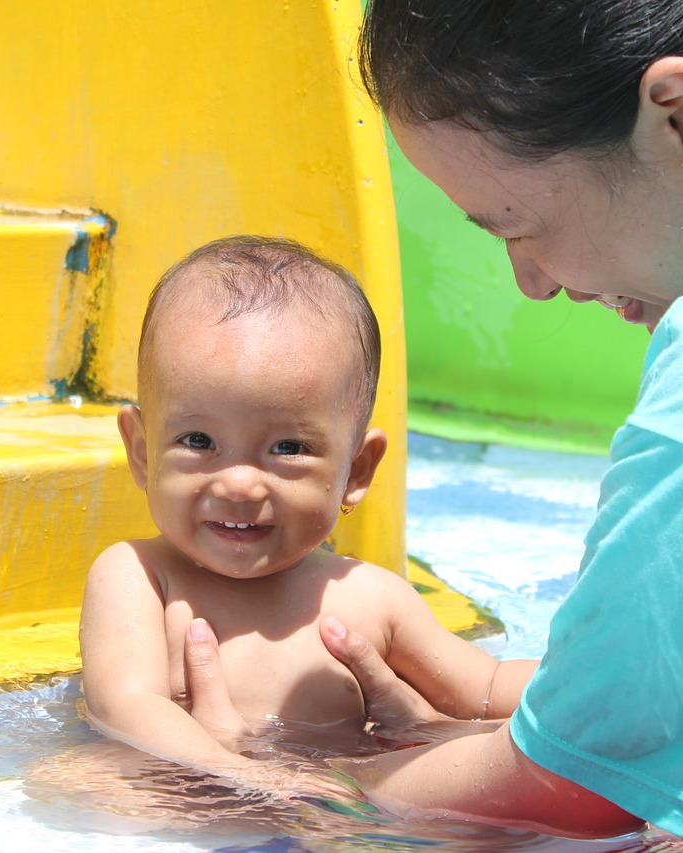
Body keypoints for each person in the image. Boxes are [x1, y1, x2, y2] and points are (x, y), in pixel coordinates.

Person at [178, 1, 683, 850]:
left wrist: (275, 782)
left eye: (519, 225)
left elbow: (578, 786)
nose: (534, 282)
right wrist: (476, 726)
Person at [78, 235, 535, 795]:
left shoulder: (371, 598)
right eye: (198, 440)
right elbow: (126, 706)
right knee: (81, 783)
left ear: (357, 470)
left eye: (288, 448)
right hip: (189, 791)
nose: (240, 483)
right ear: (144, 451)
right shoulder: (139, 577)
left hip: (333, 802)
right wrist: (248, 778)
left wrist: (617, 689)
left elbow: (485, 691)